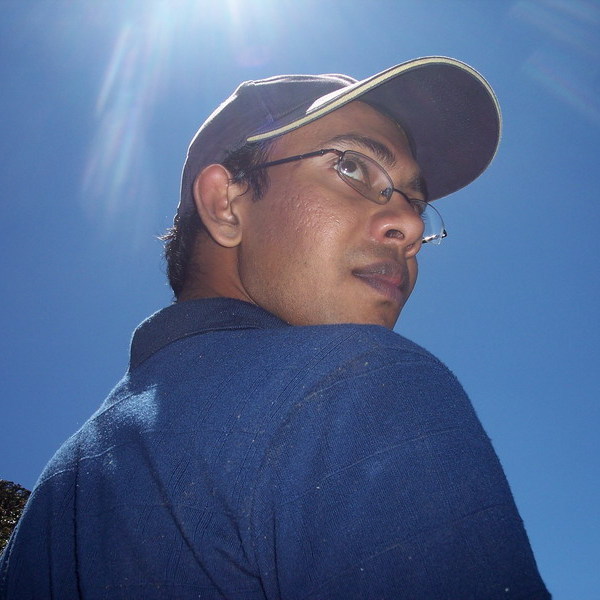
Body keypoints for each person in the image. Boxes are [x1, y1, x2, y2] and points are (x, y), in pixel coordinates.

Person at [0, 57, 551, 599]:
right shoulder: (357, 386)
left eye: (416, 203)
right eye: (353, 167)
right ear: (226, 204)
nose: (408, 224)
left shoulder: (54, 503)